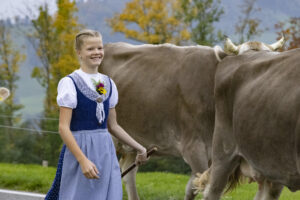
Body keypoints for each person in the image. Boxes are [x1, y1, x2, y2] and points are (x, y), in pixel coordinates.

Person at [45, 29, 148, 200]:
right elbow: (63, 128)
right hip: (79, 151)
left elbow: (113, 126)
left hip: (106, 152)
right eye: (90, 49)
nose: (97, 52)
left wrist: (140, 147)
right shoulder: (69, 83)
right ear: (79, 53)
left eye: (99, 48)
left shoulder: (108, 83)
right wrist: (83, 160)